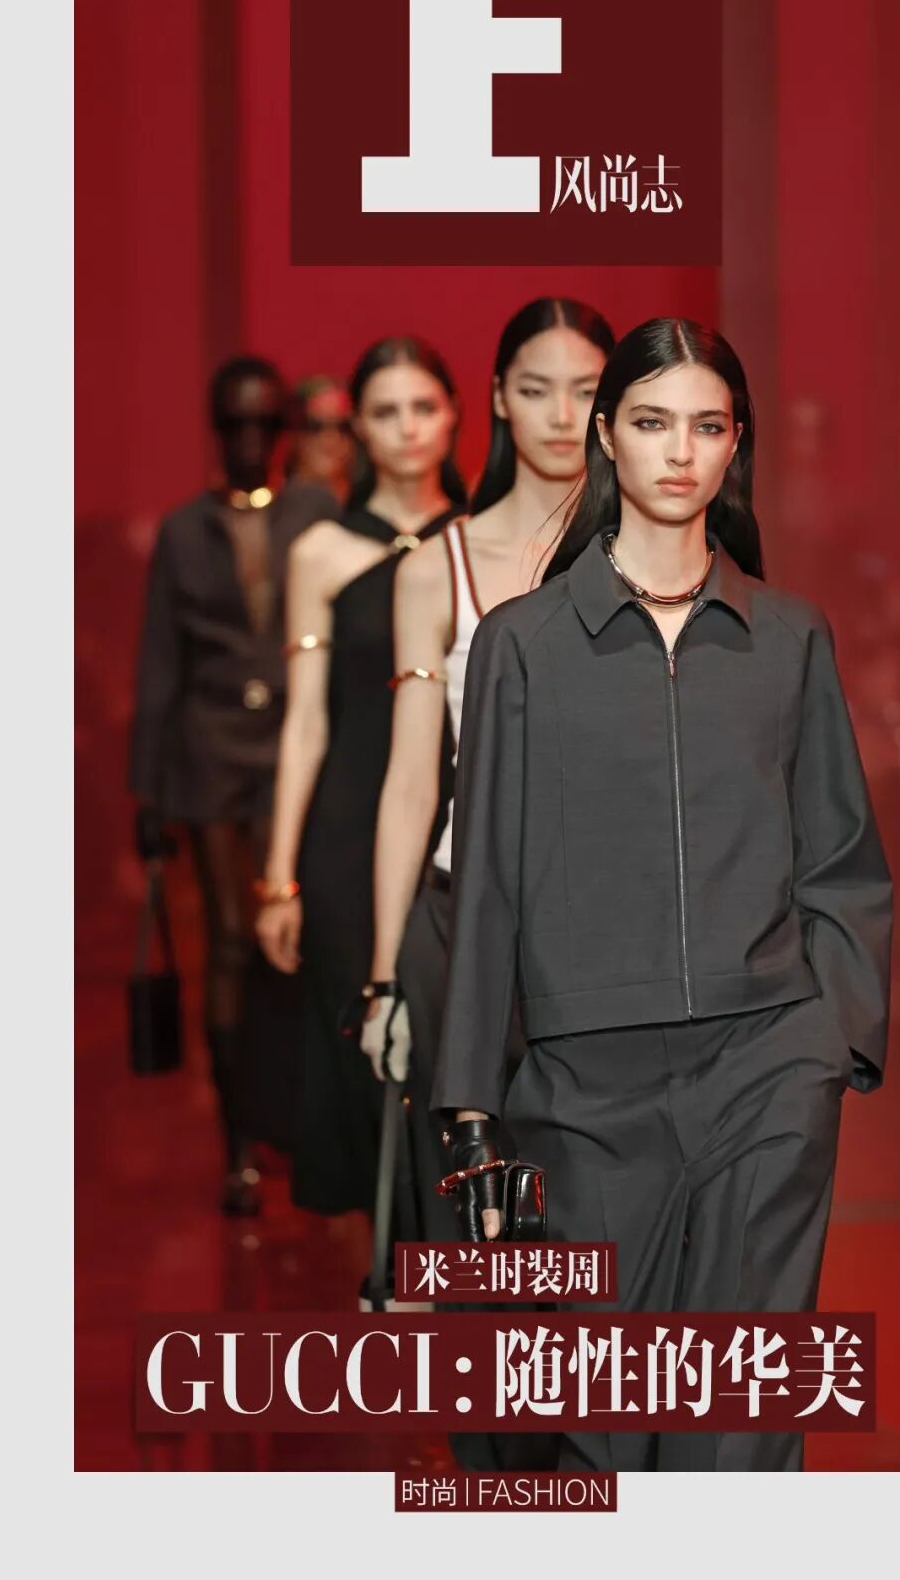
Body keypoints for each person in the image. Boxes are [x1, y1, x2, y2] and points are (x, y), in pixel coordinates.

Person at [431, 318, 893, 1473]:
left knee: (741, 1420)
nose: (679, 452)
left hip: (767, 1062)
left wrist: (831, 1037)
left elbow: (840, 853)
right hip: (589, 1081)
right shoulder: (524, 646)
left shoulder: (788, 638)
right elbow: (486, 878)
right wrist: (471, 1093)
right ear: (607, 437)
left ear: (736, 445)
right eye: (651, 422)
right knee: (604, 1425)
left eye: (707, 425)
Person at [359, 298, 616, 1237]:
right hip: (460, 913)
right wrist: (383, 976)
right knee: (475, 1224)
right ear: (499, 398)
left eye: (585, 391)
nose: (561, 415)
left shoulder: (644, 555)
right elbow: (411, 782)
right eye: (537, 390)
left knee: (589, 1215)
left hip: (605, 923)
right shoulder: (438, 566)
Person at [255, 335, 465, 1221]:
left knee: (458, 1049)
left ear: (456, 416)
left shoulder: (485, 541)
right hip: (346, 834)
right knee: (368, 1056)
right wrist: (279, 876)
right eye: (385, 411)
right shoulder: (322, 551)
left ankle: (452, 1261)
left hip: (459, 822)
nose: (407, 428)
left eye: (424, 407)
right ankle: (392, 1271)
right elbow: (306, 721)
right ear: (357, 431)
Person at [130, 354, 340, 1215]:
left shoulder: (314, 511)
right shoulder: (186, 531)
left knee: (298, 941)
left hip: (299, 750)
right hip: (212, 752)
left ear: (281, 429)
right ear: (216, 430)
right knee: (227, 940)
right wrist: (148, 793)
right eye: (234, 424)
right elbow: (160, 661)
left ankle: (296, 1122)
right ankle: (238, 1145)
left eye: (263, 423)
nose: (249, 439)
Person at [287, 374, 355, 506]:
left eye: (343, 427)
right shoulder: (270, 508)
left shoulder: (370, 507)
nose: (331, 439)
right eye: (316, 427)